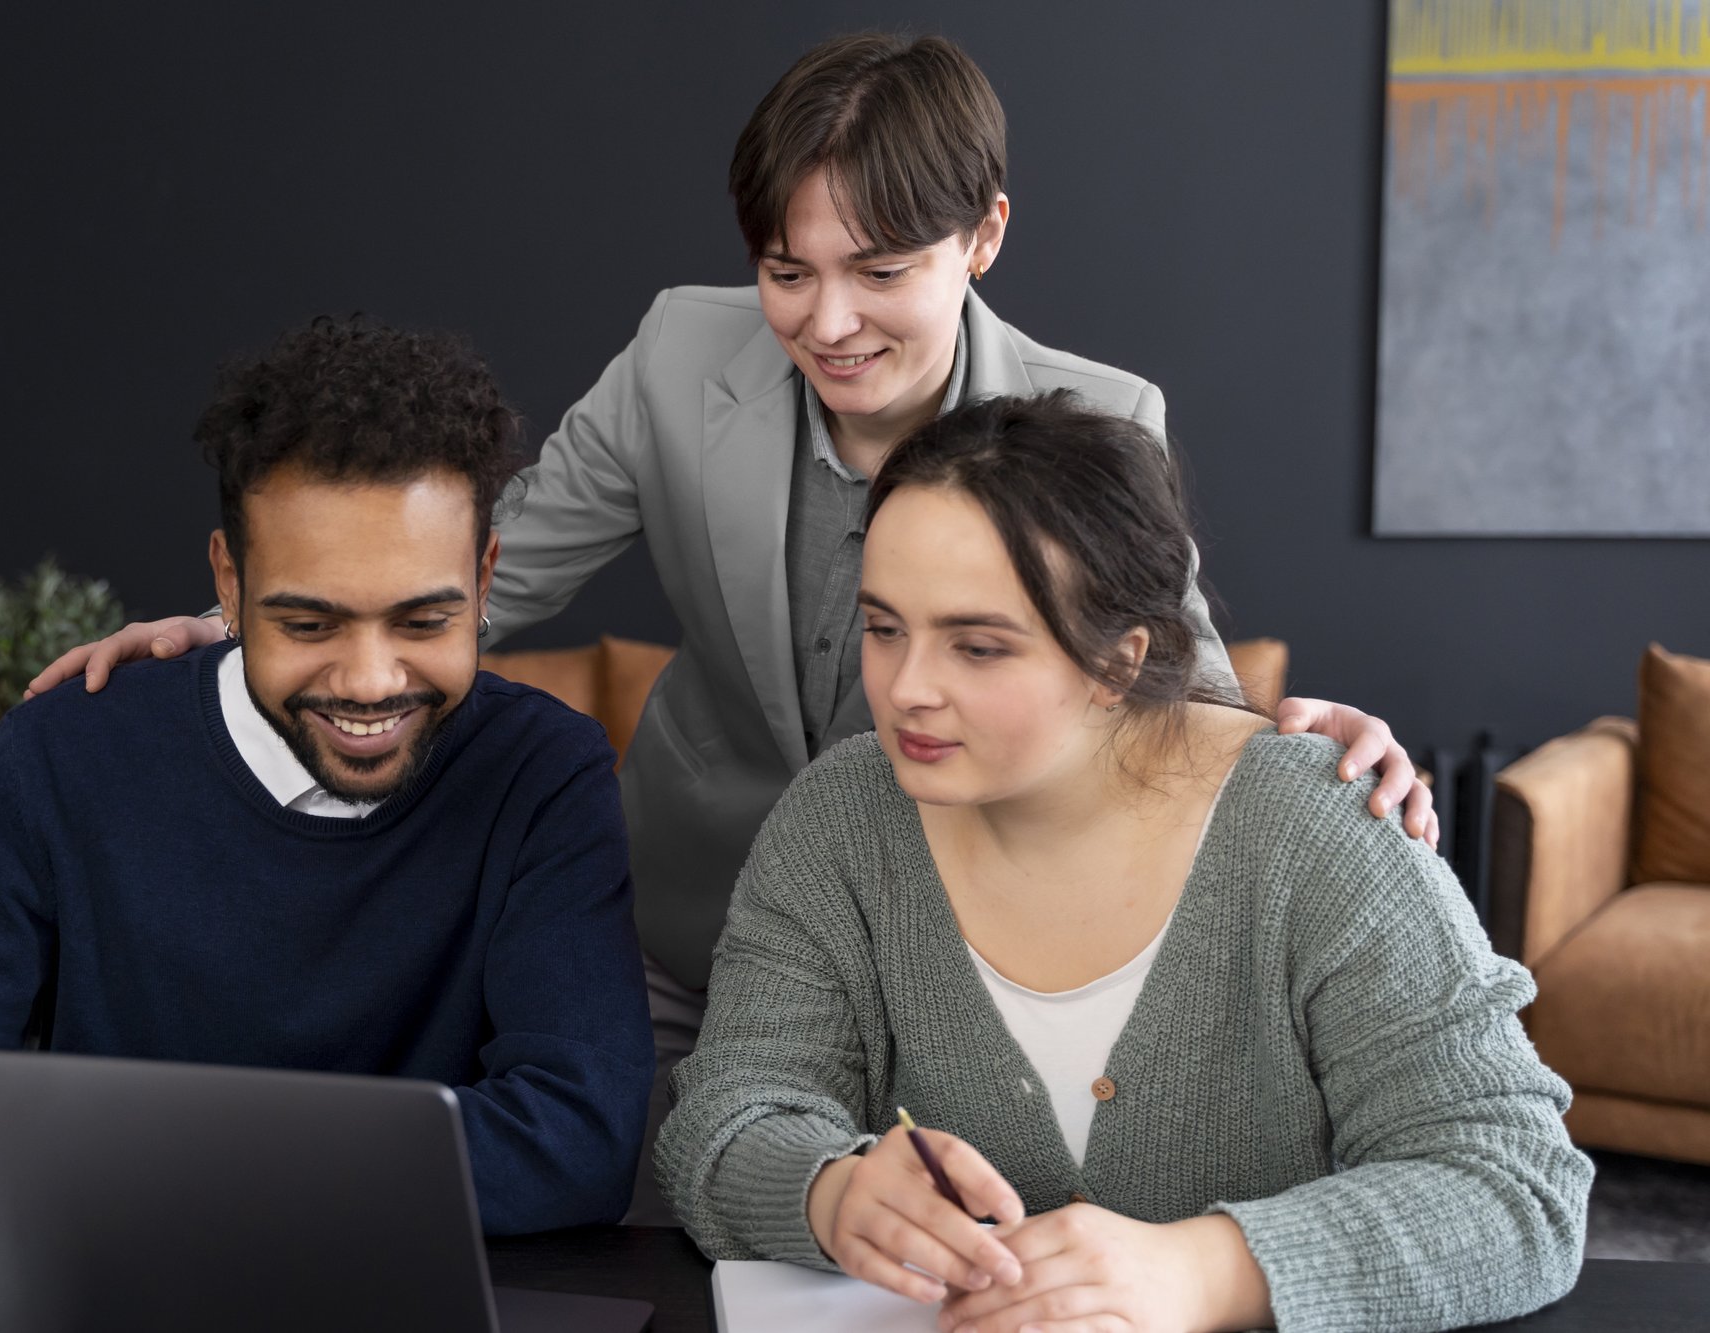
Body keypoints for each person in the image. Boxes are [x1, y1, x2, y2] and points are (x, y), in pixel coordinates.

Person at [25, 34, 1437, 1222]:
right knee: (680, 1226)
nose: (826, 322)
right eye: (785, 270)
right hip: (693, 934)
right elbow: (474, 584)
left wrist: (1304, 743)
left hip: (959, 950)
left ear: (985, 235)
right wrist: (237, 633)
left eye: (879, 270)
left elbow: (1155, 687)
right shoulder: (675, 358)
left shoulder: (1099, 420)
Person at [655, 391, 1588, 1332]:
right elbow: (728, 1113)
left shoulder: (1320, 828)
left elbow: (1517, 1183)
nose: (906, 688)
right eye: (885, 627)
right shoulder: (838, 818)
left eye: (977, 646)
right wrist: (831, 1191)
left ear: (1118, 660)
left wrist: (1202, 1271)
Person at [0, 319, 654, 1236]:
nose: (371, 682)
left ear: (485, 576)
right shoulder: (58, 760)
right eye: (308, 624)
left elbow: (580, 1137)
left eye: (422, 622)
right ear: (228, 581)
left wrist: (180, 1168)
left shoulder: (545, 776)